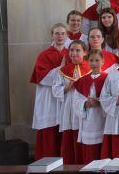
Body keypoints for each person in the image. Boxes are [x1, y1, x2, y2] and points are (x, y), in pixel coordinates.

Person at [30, 24, 68, 160]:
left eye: (63, 33)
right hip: (49, 98)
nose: (60, 36)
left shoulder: (71, 53)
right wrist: (61, 68)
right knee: (49, 133)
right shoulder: (44, 55)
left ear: (66, 35)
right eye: (57, 33)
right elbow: (42, 77)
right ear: (52, 36)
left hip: (65, 96)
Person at [53, 40, 90, 164]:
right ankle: (69, 166)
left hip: (85, 107)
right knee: (69, 139)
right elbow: (55, 89)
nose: (74, 53)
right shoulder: (63, 71)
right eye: (71, 50)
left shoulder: (90, 69)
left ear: (85, 52)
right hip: (69, 107)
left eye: (78, 50)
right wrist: (66, 88)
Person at [72, 49, 107, 164]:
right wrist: (85, 103)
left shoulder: (108, 79)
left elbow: (112, 99)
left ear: (103, 61)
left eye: (97, 60)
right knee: (90, 156)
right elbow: (76, 101)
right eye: (91, 60)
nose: (94, 63)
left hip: (103, 121)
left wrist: (100, 103)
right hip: (89, 122)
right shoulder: (82, 80)